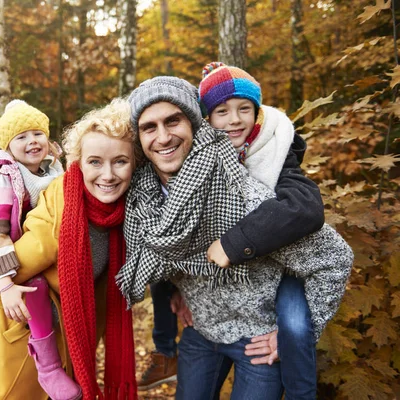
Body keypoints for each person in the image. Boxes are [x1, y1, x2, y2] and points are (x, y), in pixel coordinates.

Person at [117, 76, 353, 399]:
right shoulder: (141, 200)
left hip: (257, 341)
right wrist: (174, 288)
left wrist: (291, 334)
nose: (163, 136)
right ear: (139, 139)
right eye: (149, 127)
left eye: (173, 121)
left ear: (195, 125)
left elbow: (335, 258)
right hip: (199, 332)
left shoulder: (240, 195)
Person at [0, 98, 138, 400]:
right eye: (95, 162)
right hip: (26, 350)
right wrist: (17, 293)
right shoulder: (58, 213)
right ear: (79, 163)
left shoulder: (121, 215)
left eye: (120, 161)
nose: (108, 174)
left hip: (73, 346)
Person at [199, 61, 319, 399]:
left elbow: (305, 208)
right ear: (207, 118)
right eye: (221, 111)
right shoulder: (201, 156)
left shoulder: (276, 151)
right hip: (231, 286)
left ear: (257, 112)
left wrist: (235, 242)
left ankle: (301, 394)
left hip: (285, 264)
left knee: (294, 325)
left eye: (244, 109)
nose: (234, 119)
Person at [0, 99, 78, 399]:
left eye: (37, 133)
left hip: (27, 240)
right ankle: (49, 367)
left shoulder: (51, 167)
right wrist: (4, 285)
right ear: (8, 145)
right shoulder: (2, 177)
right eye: (21, 137)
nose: (32, 141)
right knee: (35, 286)